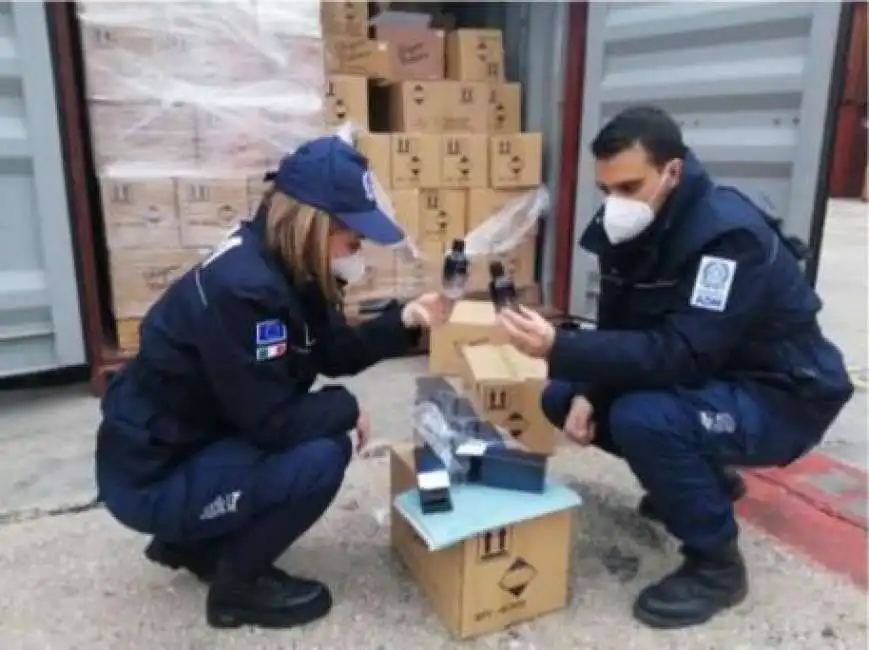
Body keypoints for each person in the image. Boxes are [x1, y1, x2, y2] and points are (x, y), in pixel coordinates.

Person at [495, 106, 854, 629]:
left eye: (629, 185)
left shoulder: (728, 239)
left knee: (646, 417)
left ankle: (717, 566)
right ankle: (709, 479)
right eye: (606, 189)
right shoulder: (632, 227)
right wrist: (587, 391)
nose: (616, 203)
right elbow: (622, 327)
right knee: (561, 395)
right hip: (715, 377)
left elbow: (682, 354)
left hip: (780, 394)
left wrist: (559, 344)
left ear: (673, 173)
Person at [95, 135, 453, 630]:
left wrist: (406, 320)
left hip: (188, 443)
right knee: (324, 451)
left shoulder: (287, 265)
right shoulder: (245, 289)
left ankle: (198, 540)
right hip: (151, 475)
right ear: (317, 225)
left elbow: (334, 351)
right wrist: (346, 408)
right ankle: (236, 587)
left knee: (317, 428)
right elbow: (272, 422)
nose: (358, 254)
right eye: (353, 241)